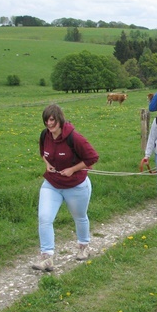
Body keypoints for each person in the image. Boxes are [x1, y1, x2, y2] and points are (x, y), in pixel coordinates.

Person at [33, 104, 99, 271]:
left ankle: (84, 247)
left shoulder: (74, 137)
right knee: (44, 218)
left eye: (52, 120)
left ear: (59, 120)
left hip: (76, 185)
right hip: (52, 184)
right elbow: (43, 152)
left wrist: (72, 169)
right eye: (46, 120)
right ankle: (47, 257)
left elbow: (92, 157)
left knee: (80, 217)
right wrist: (47, 164)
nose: (49, 124)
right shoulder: (45, 136)